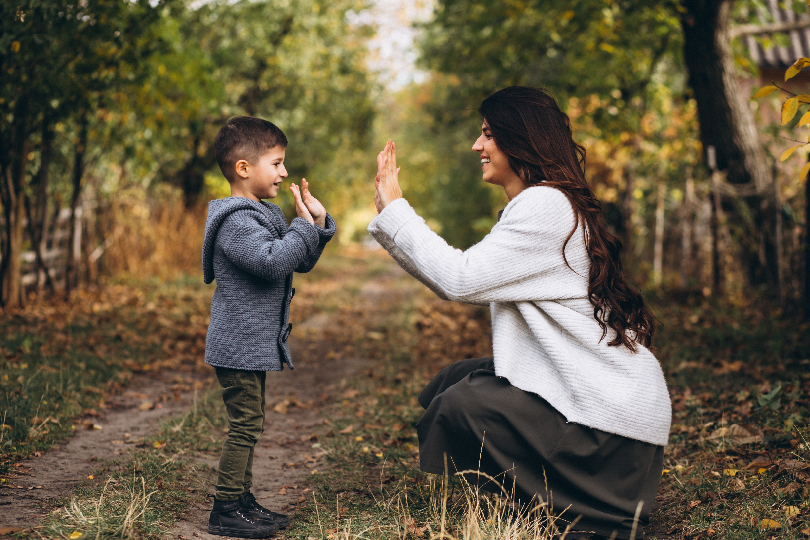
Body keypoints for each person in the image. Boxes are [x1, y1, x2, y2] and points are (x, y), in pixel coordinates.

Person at [368, 87, 671, 539]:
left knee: (463, 403)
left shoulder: (546, 205)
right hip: (614, 429)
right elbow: (455, 278)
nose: (478, 145)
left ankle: (586, 510)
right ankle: (543, 495)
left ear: (520, 140)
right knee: (455, 379)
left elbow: (459, 278)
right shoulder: (547, 202)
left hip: (609, 440)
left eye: (488, 134)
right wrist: (391, 217)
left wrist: (397, 209)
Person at [202, 116, 336, 538]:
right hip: (237, 345)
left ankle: (241, 501)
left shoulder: (265, 214)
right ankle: (225, 508)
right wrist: (300, 228)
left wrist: (316, 223)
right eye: (276, 163)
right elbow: (272, 262)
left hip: (252, 346)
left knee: (251, 422)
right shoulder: (236, 222)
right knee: (245, 425)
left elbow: (299, 259)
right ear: (243, 168)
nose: (283, 172)